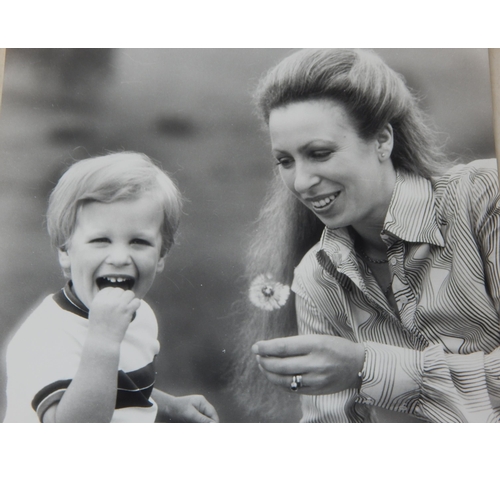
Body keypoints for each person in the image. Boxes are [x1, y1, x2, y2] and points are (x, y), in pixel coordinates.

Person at [235, 48, 500, 423]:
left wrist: (367, 367)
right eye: (286, 160)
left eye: (320, 153)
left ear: (382, 140)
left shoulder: (485, 200)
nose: (301, 181)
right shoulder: (316, 276)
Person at [5, 151, 219, 423]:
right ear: (65, 252)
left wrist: (170, 406)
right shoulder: (47, 335)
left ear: (161, 255)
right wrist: (103, 341)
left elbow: (122, 387)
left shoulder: (140, 315)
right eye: (101, 240)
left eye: (139, 242)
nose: (119, 258)